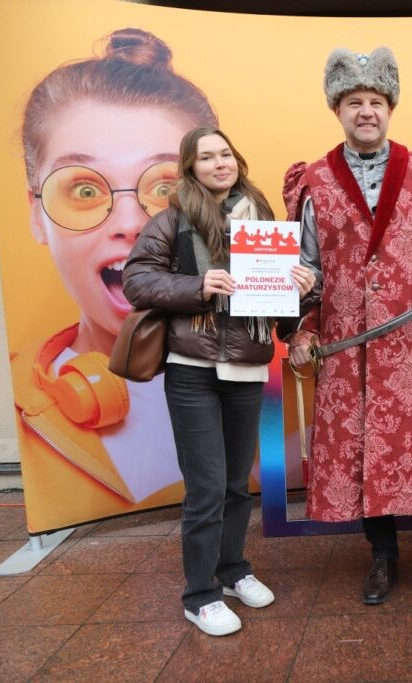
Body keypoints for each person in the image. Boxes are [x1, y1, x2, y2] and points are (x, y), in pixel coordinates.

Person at [282, 47, 412, 624]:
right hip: (347, 347)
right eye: (353, 103)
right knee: (366, 453)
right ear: (337, 110)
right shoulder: (311, 181)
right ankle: (383, 557)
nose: (366, 111)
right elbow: (306, 266)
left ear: (389, 108)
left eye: (375, 102)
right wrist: (302, 312)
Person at [13, 28, 220, 532]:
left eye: (167, 186)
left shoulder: (277, 386)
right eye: (84, 188)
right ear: (37, 215)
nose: (130, 222)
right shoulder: (25, 401)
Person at [123, 127, 315, 636]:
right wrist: (197, 285)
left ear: (237, 159)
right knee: (206, 486)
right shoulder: (172, 221)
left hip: (247, 366)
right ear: (190, 168)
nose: (218, 163)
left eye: (225, 154)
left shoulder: (264, 222)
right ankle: (200, 594)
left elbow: (280, 302)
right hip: (193, 368)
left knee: (235, 483)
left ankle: (232, 572)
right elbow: (136, 279)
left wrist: (301, 287)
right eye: (206, 157)